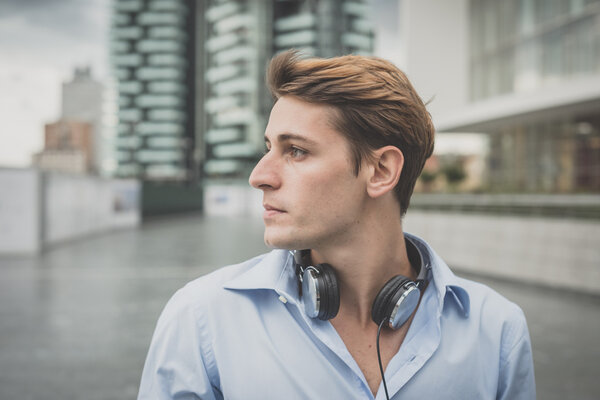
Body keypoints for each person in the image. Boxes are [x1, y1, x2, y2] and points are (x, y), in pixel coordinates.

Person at [138, 50, 535, 400]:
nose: (259, 175)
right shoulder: (201, 318)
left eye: (295, 150)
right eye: (268, 148)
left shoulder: (497, 331)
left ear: (381, 171)